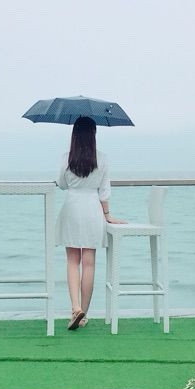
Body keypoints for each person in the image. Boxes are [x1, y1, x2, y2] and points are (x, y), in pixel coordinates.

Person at [56, 116, 126, 330]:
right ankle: (83, 315)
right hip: (92, 210)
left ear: (74, 135)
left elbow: (62, 184)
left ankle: (75, 308)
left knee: (72, 261)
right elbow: (104, 191)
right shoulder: (102, 159)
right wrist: (108, 215)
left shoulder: (67, 158)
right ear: (93, 134)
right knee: (89, 263)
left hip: (72, 208)